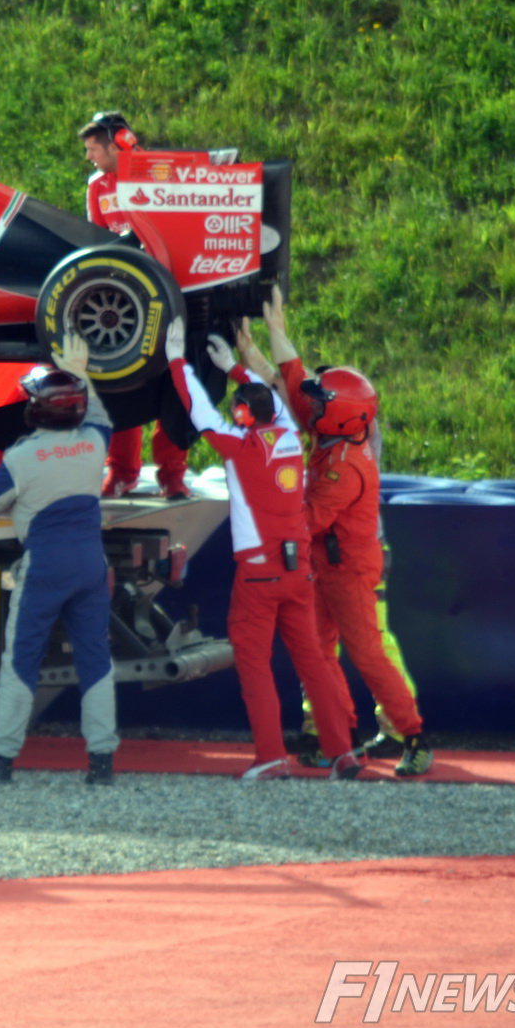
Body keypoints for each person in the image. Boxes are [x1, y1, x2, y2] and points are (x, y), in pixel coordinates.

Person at [164, 317, 360, 781]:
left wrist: (176, 359)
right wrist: (234, 366)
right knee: (314, 663)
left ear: (243, 416)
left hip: (258, 575)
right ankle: (342, 753)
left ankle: (272, 756)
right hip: (299, 571)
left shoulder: (238, 443)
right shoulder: (290, 433)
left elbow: (195, 407)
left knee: (255, 667)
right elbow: (265, 396)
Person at [246, 290, 432, 777]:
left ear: (339, 412)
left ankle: (412, 735)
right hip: (328, 563)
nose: (313, 400)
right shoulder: (342, 431)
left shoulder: (344, 466)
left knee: (368, 652)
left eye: (323, 398)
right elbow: (293, 390)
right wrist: (265, 343)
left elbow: (309, 519)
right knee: (320, 652)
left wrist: (267, 513)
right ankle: (338, 735)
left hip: (348, 566)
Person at [0, 330, 119, 788]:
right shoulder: (94, 443)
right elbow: (100, 414)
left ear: (36, 410)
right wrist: (81, 374)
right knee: (96, 661)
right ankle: (102, 763)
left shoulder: (22, 457)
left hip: (45, 567)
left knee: (21, 662)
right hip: (91, 563)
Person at [77, 111, 189, 500]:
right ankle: (122, 472)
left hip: (170, 294)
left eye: (94, 149)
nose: (89, 157)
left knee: (175, 388)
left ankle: (172, 476)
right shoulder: (95, 186)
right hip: (121, 303)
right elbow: (94, 239)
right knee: (120, 385)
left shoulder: (159, 176)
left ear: (118, 142)